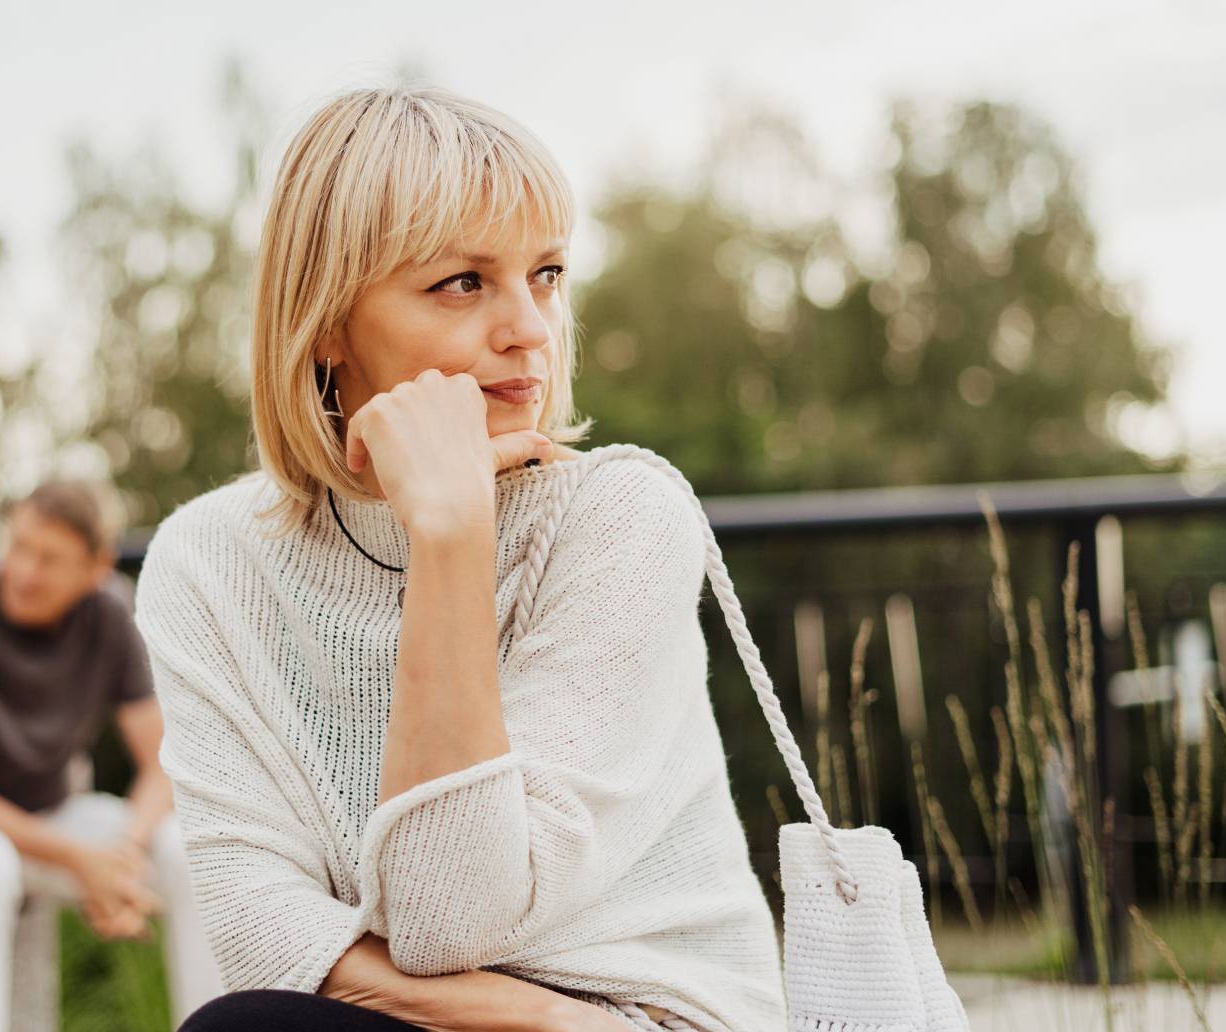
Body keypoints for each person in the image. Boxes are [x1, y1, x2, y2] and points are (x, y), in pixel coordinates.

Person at [133, 86, 786, 1031]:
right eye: (463, 283)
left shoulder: (621, 516)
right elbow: (257, 932)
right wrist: (553, 1019)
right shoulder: (208, 560)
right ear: (327, 322)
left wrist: (450, 535)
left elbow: (449, 917)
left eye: (546, 274)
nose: (531, 327)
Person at [0, 478, 224, 1031]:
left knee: (190, 849)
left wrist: (122, 854)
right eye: (19, 546)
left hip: (49, 818)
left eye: (50, 559)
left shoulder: (111, 611)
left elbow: (163, 760)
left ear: (96, 567)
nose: (24, 572)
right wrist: (82, 862)